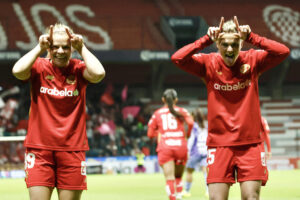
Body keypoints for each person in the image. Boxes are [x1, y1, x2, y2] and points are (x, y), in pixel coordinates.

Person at [171, 16, 290, 200]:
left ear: (241, 44)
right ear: (217, 44)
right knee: (217, 199)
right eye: (224, 44)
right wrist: (205, 40)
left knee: (251, 197)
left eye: (235, 44)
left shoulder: (253, 59)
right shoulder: (207, 63)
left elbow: (283, 52)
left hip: (250, 145)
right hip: (219, 145)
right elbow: (177, 58)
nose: (229, 49)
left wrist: (253, 37)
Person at [12, 23, 105, 200]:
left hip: (72, 150)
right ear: (49, 46)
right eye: (55, 46)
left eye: (66, 47)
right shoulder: (38, 66)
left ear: (72, 48)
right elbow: (17, 71)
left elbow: (99, 73)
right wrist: (39, 47)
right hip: (39, 150)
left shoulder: (78, 69)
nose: (60, 51)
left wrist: (82, 47)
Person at [147, 89, 194, 200]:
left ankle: (173, 198)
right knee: (178, 177)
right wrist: (187, 134)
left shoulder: (157, 113)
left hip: (166, 146)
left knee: (169, 178)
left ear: (163, 99)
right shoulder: (182, 111)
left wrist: (160, 133)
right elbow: (191, 122)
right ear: (176, 100)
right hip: (181, 146)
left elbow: (149, 134)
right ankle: (179, 196)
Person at [182, 108, 208, 198]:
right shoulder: (205, 125)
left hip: (195, 152)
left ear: (193, 116)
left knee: (189, 172)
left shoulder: (193, 126)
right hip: (205, 151)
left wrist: (188, 151)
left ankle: (187, 191)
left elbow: (191, 140)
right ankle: (208, 192)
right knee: (206, 173)